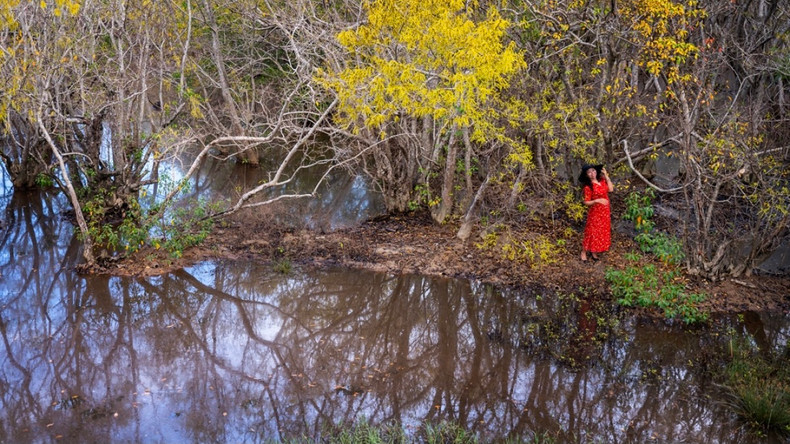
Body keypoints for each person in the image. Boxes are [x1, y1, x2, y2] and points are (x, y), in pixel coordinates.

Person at [579, 164, 614, 261]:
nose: (592, 174)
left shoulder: (602, 181)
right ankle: (584, 251)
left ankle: (594, 251)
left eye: (593, 171)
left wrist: (606, 176)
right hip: (595, 212)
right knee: (591, 231)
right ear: (586, 175)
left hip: (605, 211)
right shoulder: (588, 187)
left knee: (601, 231)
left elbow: (611, 189)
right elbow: (586, 202)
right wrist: (596, 201)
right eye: (589, 172)